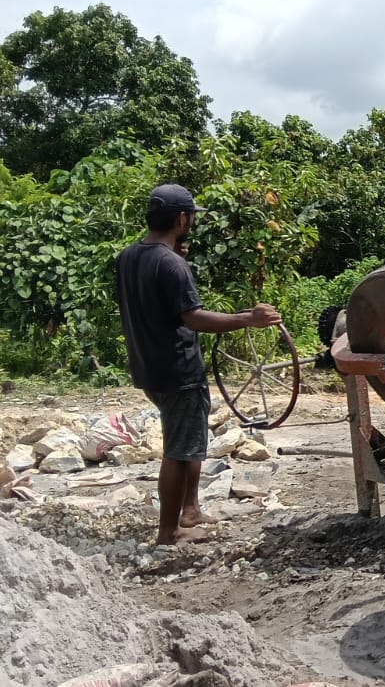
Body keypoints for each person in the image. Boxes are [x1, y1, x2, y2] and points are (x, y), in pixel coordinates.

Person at [116, 184, 282, 545]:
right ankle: (168, 531)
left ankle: (190, 510)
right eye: (191, 216)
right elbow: (193, 318)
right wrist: (247, 319)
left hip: (149, 368)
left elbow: (159, 304)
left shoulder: (129, 256)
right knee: (178, 451)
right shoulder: (171, 263)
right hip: (178, 370)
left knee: (190, 440)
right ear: (181, 218)